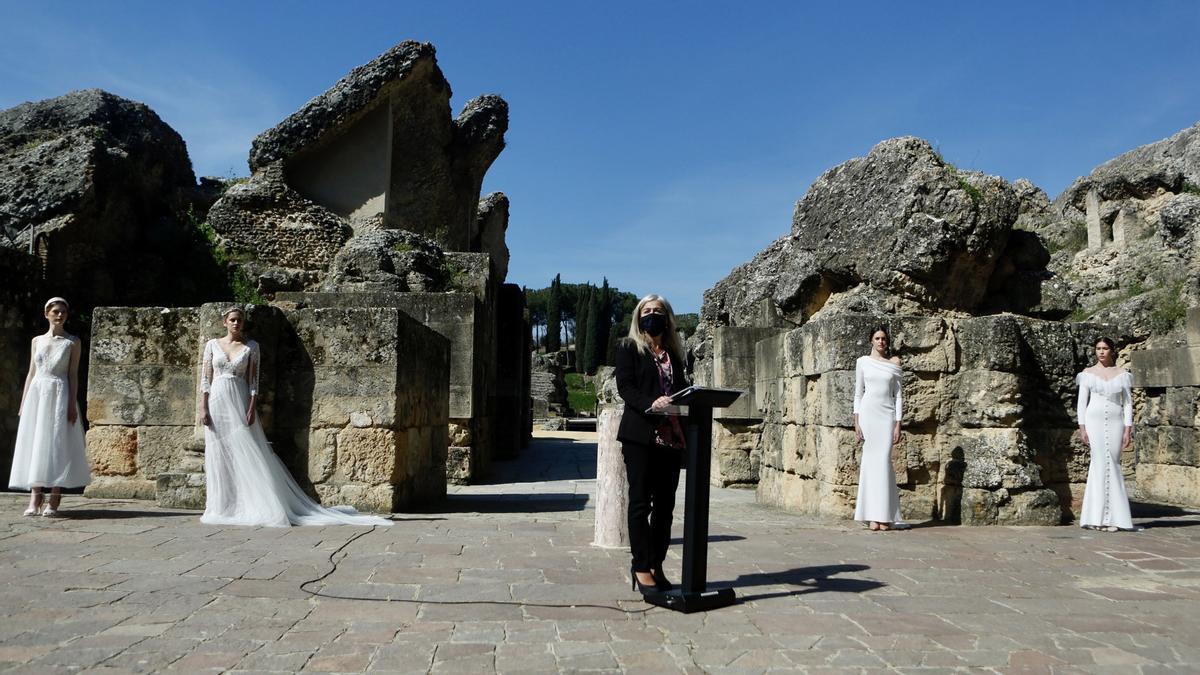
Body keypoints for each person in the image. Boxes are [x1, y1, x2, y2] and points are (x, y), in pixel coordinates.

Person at [199, 306, 392, 528]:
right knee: (218, 452)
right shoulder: (212, 345)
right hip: (217, 400)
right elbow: (206, 379)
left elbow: (253, 382)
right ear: (225, 322)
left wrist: (252, 407)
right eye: (232, 320)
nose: (236, 323)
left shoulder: (251, 347)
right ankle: (220, 505)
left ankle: (251, 503)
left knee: (248, 450)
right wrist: (204, 407)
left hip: (240, 398)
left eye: (239, 320)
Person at [614, 294, 688, 596]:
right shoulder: (628, 347)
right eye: (647, 311)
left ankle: (657, 563)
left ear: (667, 317)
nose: (653, 315)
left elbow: (680, 389)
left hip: (671, 439)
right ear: (638, 317)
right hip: (641, 436)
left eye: (658, 311)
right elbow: (626, 387)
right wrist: (651, 404)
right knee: (640, 503)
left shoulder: (674, 352)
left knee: (665, 508)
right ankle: (641, 566)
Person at [9, 297, 92, 516]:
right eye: (55, 311)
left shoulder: (72, 342)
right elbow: (31, 372)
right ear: (46, 313)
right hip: (38, 393)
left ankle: (55, 496)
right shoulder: (37, 341)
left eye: (63, 312)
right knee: (36, 440)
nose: (59, 315)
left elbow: (73, 375)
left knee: (58, 441)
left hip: (60, 392)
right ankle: (35, 496)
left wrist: (72, 404)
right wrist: (24, 402)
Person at [1076, 337, 1135, 532]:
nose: (1101, 352)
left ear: (1112, 351)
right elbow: (1081, 402)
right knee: (1099, 462)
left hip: (1116, 421)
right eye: (1098, 348)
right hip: (1094, 421)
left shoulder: (1122, 374)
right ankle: (1095, 517)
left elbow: (1127, 403)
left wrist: (1128, 428)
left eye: (1105, 348)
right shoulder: (1087, 374)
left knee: (1114, 463)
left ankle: (1116, 518)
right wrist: (1082, 427)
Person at [853, 325, 905, 531]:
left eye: (883, 338)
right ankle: (872, 516)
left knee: (883, 463)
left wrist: (898, 423)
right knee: (870, 464)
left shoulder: (894, 363)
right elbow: (858, 393)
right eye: (877, 338)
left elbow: (899, 395)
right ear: (871, 340)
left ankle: (885, 516)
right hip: (868, 415)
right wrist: (857, 422)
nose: (881, 341)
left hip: (887, 416)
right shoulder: (862, 362)